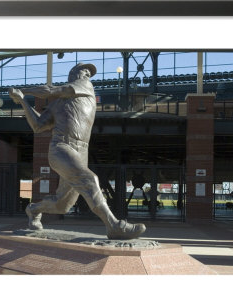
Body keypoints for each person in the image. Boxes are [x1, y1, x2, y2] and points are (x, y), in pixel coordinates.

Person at [9, 63, 146, 240]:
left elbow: (52, 90)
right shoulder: (56, 104)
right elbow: (37, 125)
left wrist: (23, 91)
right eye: (84, 71)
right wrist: (22, 101)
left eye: (89, 73)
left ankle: (33, 210)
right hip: (61, 147)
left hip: (81, 151)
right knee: (90, 180)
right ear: (73, 74)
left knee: (62, 205)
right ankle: (113, 226)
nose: (88, 74)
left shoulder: (85, 87)